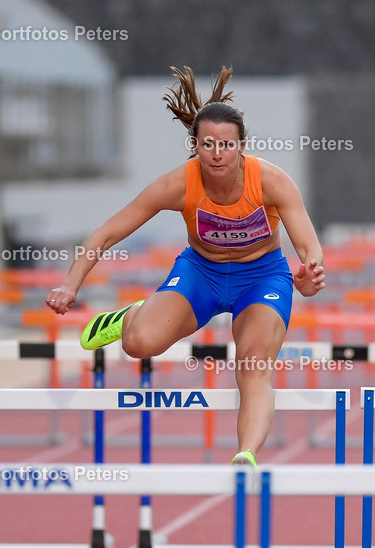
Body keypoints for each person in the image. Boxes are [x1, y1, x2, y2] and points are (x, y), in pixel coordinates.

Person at [46, 66, 325, 467]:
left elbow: (308, 246)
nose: (217, 153)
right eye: (207, 144)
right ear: (194, 145)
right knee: (139, 344)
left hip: (261, 276)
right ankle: (133, 317)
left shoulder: (271, 182)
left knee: (253, 362)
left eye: (226, 145)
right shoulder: (179, 184)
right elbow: (108, 232)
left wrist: (310, 276)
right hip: (202, 274)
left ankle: (245, 453)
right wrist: (70, 285)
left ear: (242, 146)